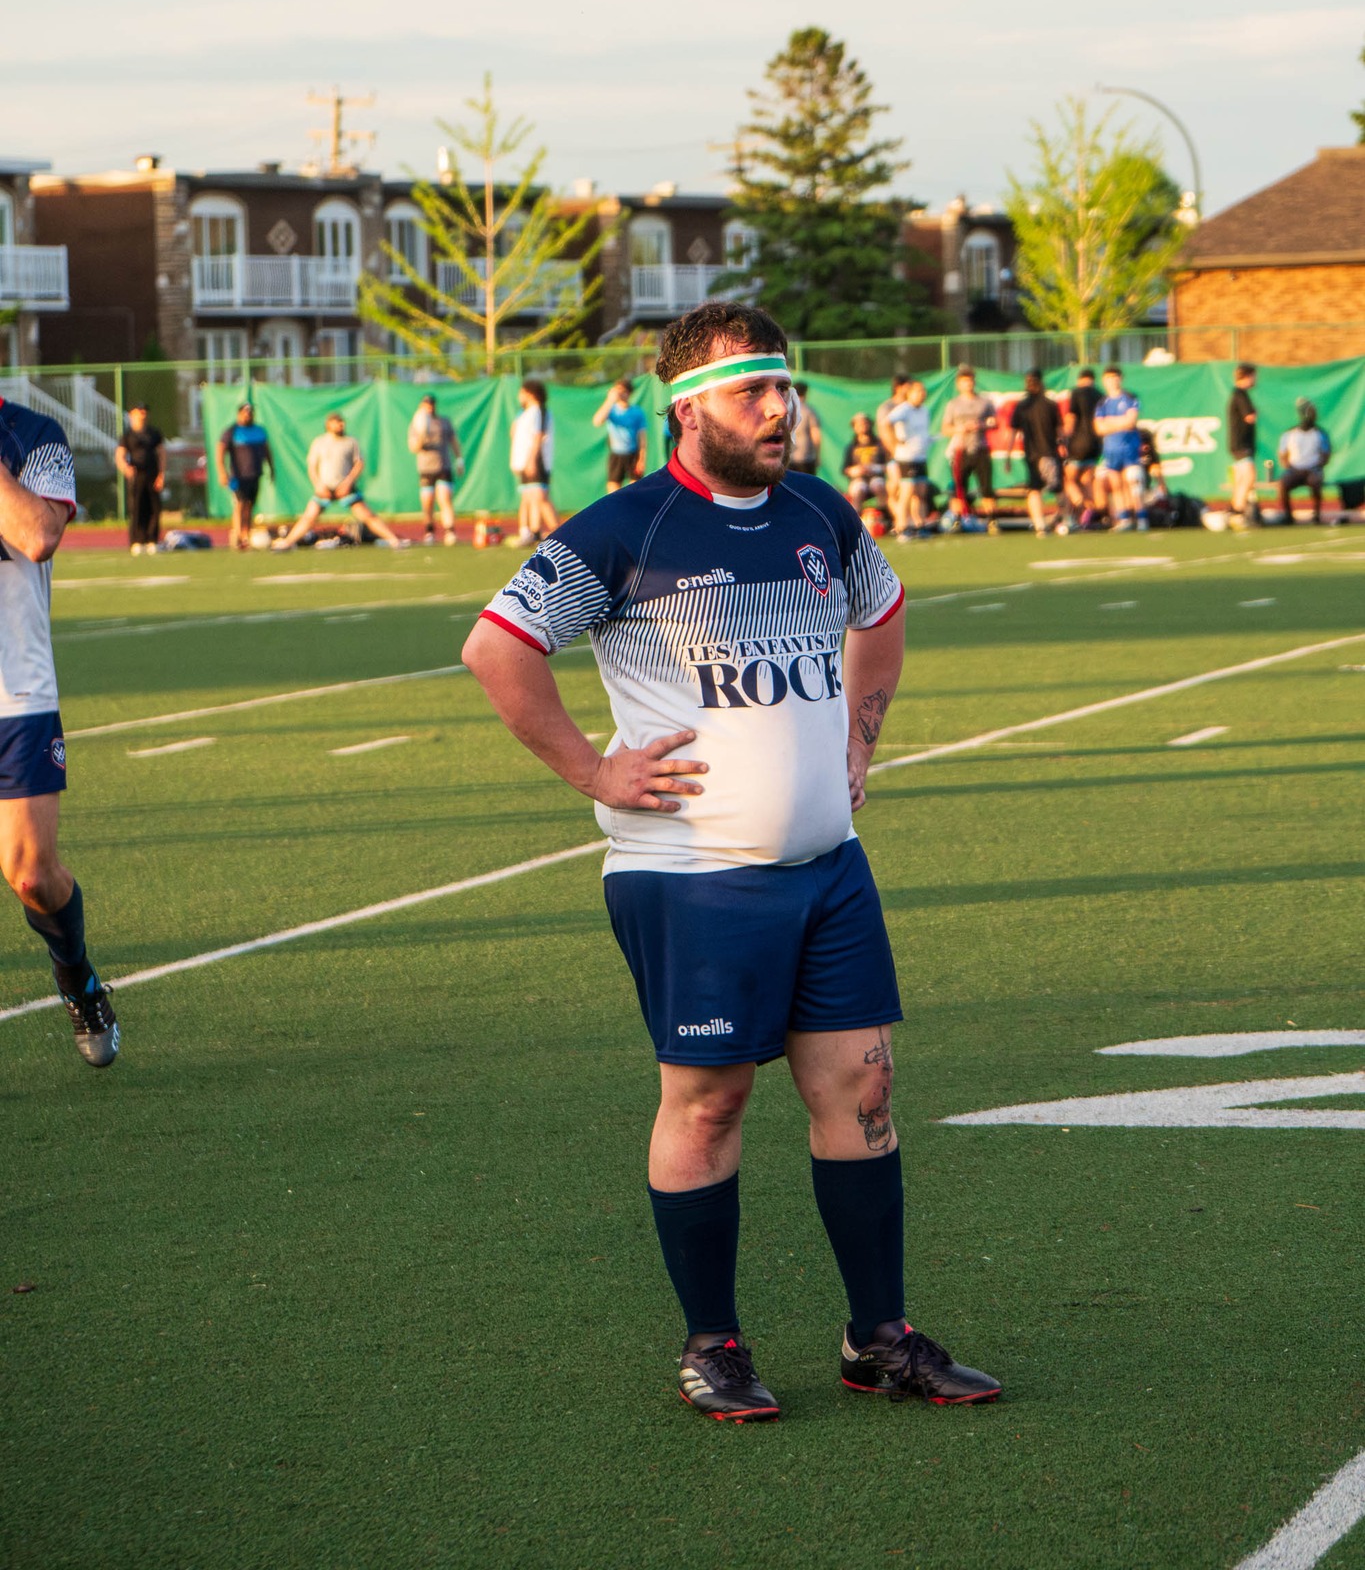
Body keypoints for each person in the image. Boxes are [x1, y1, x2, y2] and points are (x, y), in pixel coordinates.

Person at [463, 299, 1000, 1422]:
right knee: (708, 1101)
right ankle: (713, 1343)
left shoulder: (821, 512)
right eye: (755, 390)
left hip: (830, 867)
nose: (780, 409)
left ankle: (878, 1336)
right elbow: (496, 647)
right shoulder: (623, 529)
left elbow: (884, 611)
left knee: (863, 1086)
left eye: (786, 387)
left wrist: (861, 734)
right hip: (692, 875)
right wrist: (593, 772)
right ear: (687, 404)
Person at [0, 396, 118, 1065]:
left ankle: (74, 971)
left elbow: (38, 534)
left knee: (31, 875)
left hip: (15, 691)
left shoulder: (33, 435)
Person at [272, 411, 406, 550]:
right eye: (337, 422)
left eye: (342, 422)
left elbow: (359, 464)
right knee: (309, 517)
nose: (341, 425)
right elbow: (312, 467)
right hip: (324, 489)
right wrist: (318, 485)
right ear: (329, 424)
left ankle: (393, 540)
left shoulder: (350, 442)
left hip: (345, 489)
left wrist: (348, 483)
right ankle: (287, 543)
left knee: (367, 515)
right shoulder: (319, 442)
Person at [941, 367, 997, 532]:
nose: (968, 384)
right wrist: (961, 429)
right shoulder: (953, 404)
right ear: (959, 384)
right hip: (961, 450)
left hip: (981, 449)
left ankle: (991, 520)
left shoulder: (984, 402)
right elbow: (945, 429)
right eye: (965, 381)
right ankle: (957, 520)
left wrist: (981, 425)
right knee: (959, 487)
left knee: (986, 487)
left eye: (971, 381)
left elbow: (994, 422)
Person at [1010, 370, 1065, 538]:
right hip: (1041, 454)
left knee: (1043, 490)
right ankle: (1049, 523)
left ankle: (1047, 524)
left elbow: (1059, 431)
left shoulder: (1045, 405)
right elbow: (1060, 432)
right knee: (1045, 490)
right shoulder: (1029, 406)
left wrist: (1007, 455)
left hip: (1040, 453)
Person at [877, 376, 933, 537]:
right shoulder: (904, 409)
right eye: (918, 391)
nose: (922, 394)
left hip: (920, 457)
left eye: (923, 390)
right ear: (910, 393)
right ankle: (902, 528)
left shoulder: (924, 410)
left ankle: (920, 525)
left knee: (921, 493)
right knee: (906, 492)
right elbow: (885, 423)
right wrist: (895, 443)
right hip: (906, 458)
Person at [1094, 367, 1146, 532]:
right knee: (1115, 485)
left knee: (1133, 481)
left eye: (1115, 377)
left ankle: (1142, 518)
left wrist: (1109, 422)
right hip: (1111, 449)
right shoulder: (1102, 403)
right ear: (1104, 381)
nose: (1112, 381)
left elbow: (1130, 422)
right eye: (1109, 378)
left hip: (1129, 447)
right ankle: (1124, 519)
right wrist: (1119, 422)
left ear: (1121, 379)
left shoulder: (1130, 398)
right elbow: (1099, 428)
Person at [217, 401, 274, 550]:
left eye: (250, 412)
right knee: (240, 504)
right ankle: (238, 535)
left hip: (255, 474)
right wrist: (222, 472)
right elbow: (220, 451)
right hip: (238, 476)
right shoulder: (232, 431)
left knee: (249, 505)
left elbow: (267, 450)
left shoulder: (259, 430)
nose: (247, 415)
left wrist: (271, 468)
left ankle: (245, 534)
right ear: (239, 413)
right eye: (244, 412)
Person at [408, 393, 463, 544]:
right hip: (426, 468)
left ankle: (450, 531)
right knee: (428, 502)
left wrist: (459, 460)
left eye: (431, 404)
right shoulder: (416, 423)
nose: (429, 407)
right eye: (426, 404)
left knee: (445, 498)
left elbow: (453, 441)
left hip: (443, 466)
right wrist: (421, 435)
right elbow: (414, 447)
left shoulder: (443, 422)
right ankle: (429, 531)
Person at [510, 379, 558, 545]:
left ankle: (557, 532)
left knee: (540, 497)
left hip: (537, 461)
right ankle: (529, 532)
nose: (519, 396)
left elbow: (538, 436)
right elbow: (515, 434)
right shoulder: (525, 413)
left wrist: (531, 460)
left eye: (521, 392)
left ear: (530, 393)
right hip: (525, 461)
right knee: (528, 497)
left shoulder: (539, 411)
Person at [115, 403, 164, 555]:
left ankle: (152, 540)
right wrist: (125, 468)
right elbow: (120, 455)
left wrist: (161, 474)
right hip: (137, 476)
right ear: (132, 414)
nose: (142, 415)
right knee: (137, 508)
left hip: (152, 475)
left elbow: (161, 454)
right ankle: (137, 541)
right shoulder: (128, 435)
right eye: (139, 412)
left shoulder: (154, 434)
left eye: (144, 412)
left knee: (154, 509)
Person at [1278, 400, 1332, 524]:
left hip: (1313, 470)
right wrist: (1289, 465)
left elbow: (1326, 454)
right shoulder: (1289, 434)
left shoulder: (1320, 434)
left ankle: (1317, 515)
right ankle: (1288, 516)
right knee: (1282, 484)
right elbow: (1282, 454)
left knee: (1316, 481)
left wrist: (1318, 465)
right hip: (1295, 470)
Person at [592, 378, 649, 493]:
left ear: (628, 393)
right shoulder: (611, 410)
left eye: (622, 391)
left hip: (633, 455)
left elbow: (642, 437)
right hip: (616, 455)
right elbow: (597, 421)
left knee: (635, 491)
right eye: (617, 390)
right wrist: (609, 400)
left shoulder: (637, 412)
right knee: (612, 491)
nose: (619, 394)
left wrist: (641, 459)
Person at [1062, 367, 1101, 528]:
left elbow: (1071, 418)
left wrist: (1063, 439)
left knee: (1067, 479)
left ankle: (1081, 505)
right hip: (1096, 445)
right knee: (1086, 480)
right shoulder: (1100, 395)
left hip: (1079, 444)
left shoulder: (1077, 393)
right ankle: (1088, 516)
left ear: (1080, 380)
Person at [1227, 364, 1258, 528]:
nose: (1255, 380)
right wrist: (1255, 413)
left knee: (1240, 478)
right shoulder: (1241, 394)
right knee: (1249, 476)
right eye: (1253, 376)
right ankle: (1238, 512)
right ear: (1247, 376)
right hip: (1241, 444)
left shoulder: (1238, 394)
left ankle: (1234, 510)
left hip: (1238, 444)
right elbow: (1249, 417)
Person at [840, 413, 889, 515]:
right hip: (858, 479)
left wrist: (874, 468)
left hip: (876, 477)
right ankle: (856, 517)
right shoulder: (851, 447)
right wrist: (856, 470)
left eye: (865, 423)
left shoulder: (879, 444)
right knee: (859, 489)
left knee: (879, 486)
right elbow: (845, 469)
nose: (863, 427)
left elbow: (888, 465)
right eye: (859, 425)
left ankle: (884, 515)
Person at [788, 382, 823, 476]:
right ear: (806, 393)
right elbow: (815, 434)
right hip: (806, 456)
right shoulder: (809, 411)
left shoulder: (785, 409)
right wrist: (818, 455)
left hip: (788, 456)